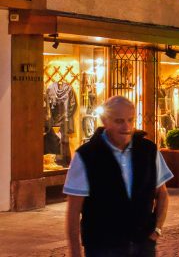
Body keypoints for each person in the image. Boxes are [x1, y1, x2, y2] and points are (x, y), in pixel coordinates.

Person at [64, 95, 173, 257]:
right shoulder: (86, 156)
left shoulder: (148, 151)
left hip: (142, 245)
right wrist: (75, 252)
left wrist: (156, 230)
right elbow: (73, 210)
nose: (127, 127)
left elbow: (162, 194)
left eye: (130, 120)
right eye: (119, 121)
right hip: (103, 247)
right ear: (105, 120)